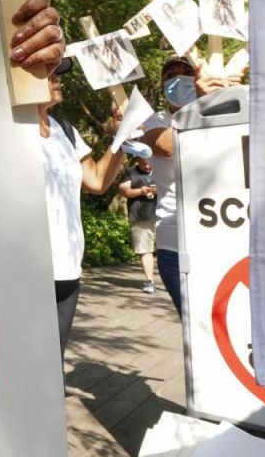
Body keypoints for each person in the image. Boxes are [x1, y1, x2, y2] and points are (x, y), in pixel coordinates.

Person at [39, 58, 127, 357]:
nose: (57, 77)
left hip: (67, 266)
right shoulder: (6, 128)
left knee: (53, 362)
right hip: (26, 269)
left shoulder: (65, 129)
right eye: (48, 71)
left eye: (57, 70)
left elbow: (97, 181)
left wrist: (120, 137)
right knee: (29, 366)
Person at [139, 55, 238, 315]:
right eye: (171, 75)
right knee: (195, 324)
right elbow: (166, 146)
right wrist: (202, 105)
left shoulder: (220, 111)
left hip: (224, 233)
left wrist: (226, 98)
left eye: (186, 72)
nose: (179, 79)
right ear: (162, 84)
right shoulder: (156, 121)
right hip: (176, 244)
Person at [118, 157, 158, 293]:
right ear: (138, 161)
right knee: (145, 249)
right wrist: (141, 191)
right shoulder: (130, 172)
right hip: (140, 216)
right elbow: (124, 190)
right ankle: (150, 281)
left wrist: (159, 190)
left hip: (164, 216)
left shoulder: (161, 170)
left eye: (149, 164)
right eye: (144, 164)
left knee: (170, 249)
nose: (147, 167)